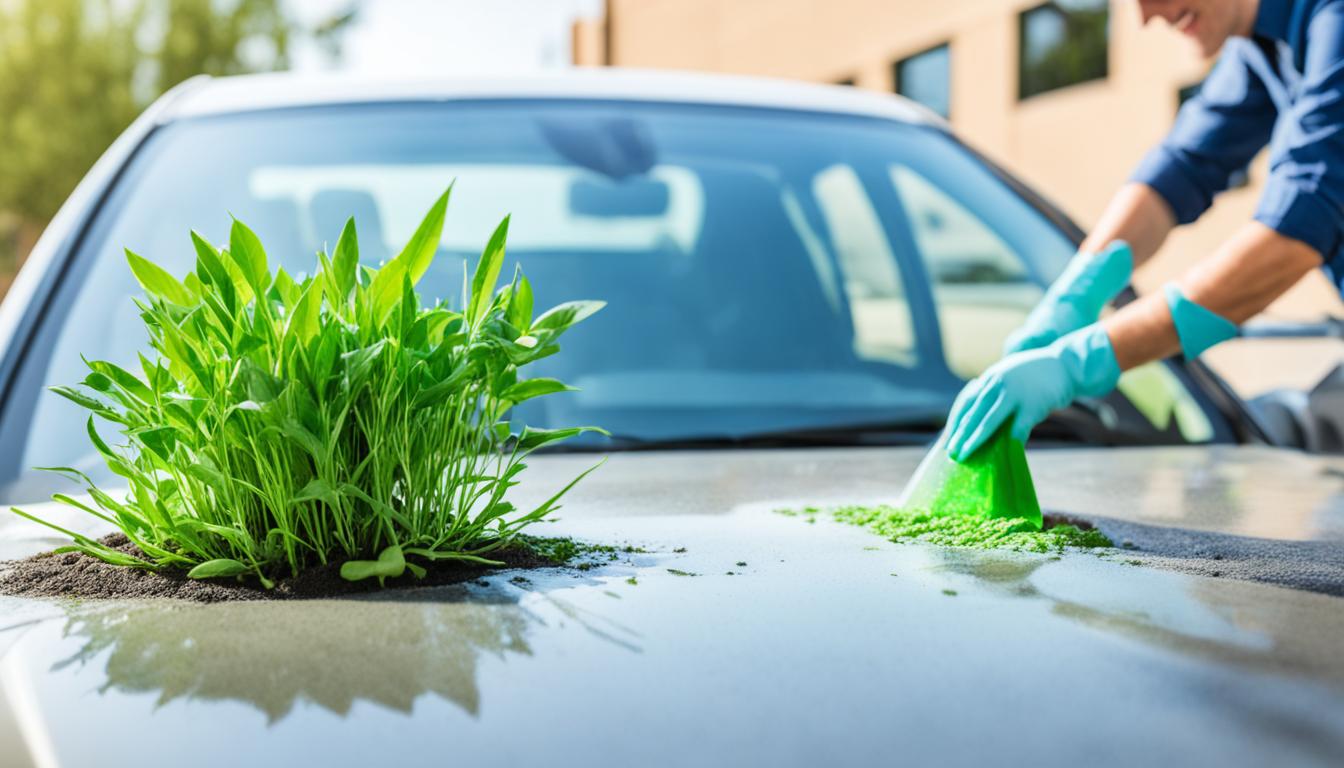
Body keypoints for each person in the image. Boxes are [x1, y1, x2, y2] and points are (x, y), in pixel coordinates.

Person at [945, 0, 1344, 461]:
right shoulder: (1262, 45)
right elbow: (1183, 167)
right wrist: (1076, 293)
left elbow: (1295, 234)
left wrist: (1082, 361)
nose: (1146, 17)